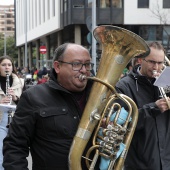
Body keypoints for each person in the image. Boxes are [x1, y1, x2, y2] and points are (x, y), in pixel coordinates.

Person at [3, 43, 94, 170]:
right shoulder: (33, 97)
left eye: (87, 64)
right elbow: (14, 146)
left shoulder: (101, 95)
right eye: (76, 64)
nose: (84, 70)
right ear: (57, 66)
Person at [115, 41, 170, 170]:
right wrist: (152, 109)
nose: (156, 67)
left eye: (160, 63)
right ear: (141, 60)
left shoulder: (166, 81)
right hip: (139, 164)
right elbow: (120, 125)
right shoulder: (124, 86)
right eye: (152, 62)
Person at [0, 56, 24, 170]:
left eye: (9, 65)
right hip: (1, 119)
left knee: (14, 150)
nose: (7, 67)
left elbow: (27, 103)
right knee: (0, 150)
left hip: (15, 119)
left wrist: (15, 98)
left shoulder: (20, 82)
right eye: (3, 65)